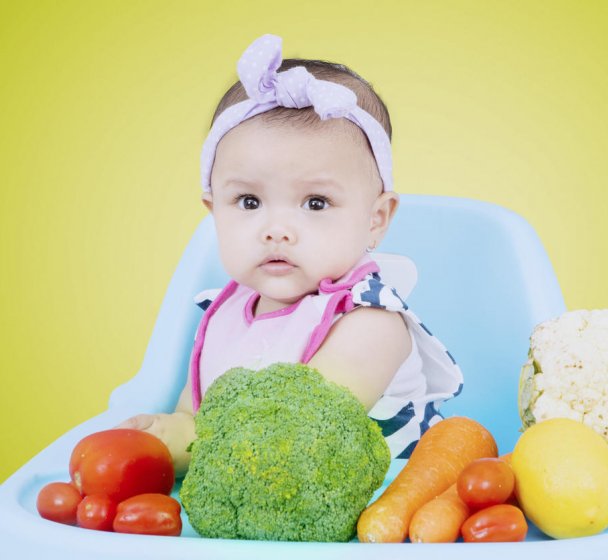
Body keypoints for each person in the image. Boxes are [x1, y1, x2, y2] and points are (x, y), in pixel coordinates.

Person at [119, 34, 463, 476]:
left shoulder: (370, 321)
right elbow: (196, 417)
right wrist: (164, 433)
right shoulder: (223, 312)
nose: (276, 230)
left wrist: (193, 445)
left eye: (315, 203)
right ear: (214, 211)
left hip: (388, 510)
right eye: (248, 201)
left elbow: (300, 428)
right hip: (262, 495)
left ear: (376, 219)